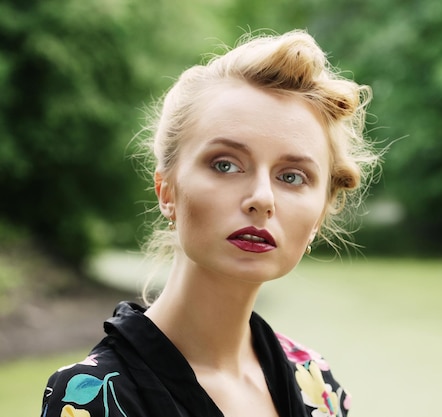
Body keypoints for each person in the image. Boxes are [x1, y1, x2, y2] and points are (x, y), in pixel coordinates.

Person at [40, 29, 380, 417]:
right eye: (226, 165)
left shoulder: (317, 385)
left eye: (291, 176)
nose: (262, 199)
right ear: (167, 190)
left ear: (320, 212)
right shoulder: (94, 396)